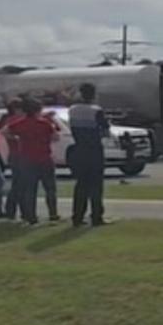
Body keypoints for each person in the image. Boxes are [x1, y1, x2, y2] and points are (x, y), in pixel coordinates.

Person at [1, 96, 58, 225]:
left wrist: (16, 138)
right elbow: (55, 137)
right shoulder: (44, 123)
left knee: (30, 189)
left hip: (27, 158)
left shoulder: (20, 123)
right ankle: (53, 213)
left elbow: (4, 131)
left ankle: (31, 215)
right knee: (50, 188)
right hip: (44, 157)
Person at [67, 82, 113, 227]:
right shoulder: (96, 110)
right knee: (96, 186)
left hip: (79, 149)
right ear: (93, 95)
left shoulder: (72, 110)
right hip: (94, 150)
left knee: (81, 185)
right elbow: (105, 129)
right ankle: (96, 216)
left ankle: (77, 217)